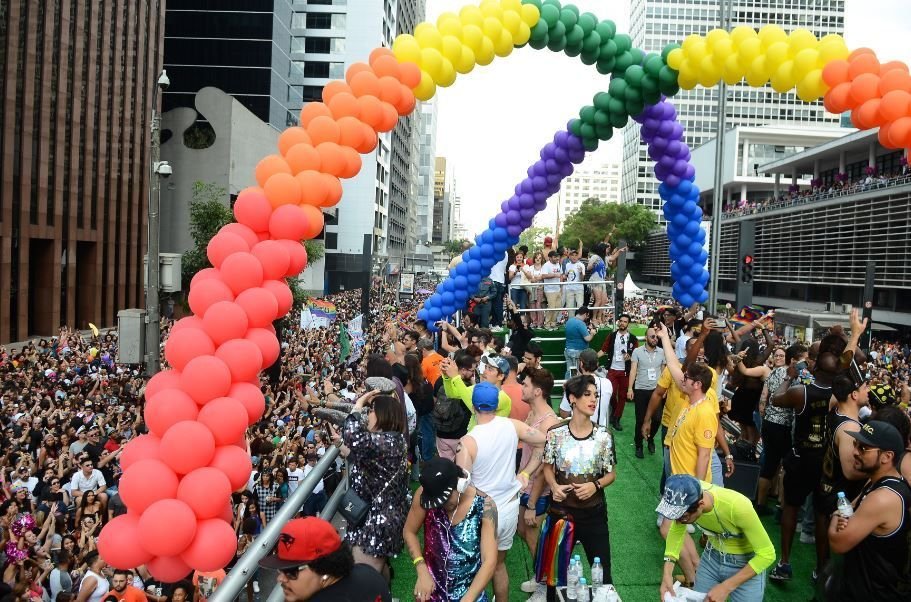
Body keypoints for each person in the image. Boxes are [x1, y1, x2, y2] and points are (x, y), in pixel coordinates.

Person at [769, 309, 867, 582]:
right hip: (826, 461)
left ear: (814, 363)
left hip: (801, 457)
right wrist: (849, 334)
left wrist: (789, 377)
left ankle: (785, 562)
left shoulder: (801, 390)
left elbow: (776, 400)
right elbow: (852, 359)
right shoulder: (839, 391)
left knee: (791, 508)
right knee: (823, 515)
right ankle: (822, 567)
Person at [456, 382, 547, 602]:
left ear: (473, 406)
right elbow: (544, 441)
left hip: (482, 513)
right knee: (497, 565)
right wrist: (525, 473)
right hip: (509, 508)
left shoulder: (468, 442)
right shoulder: (512, 425)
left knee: (475, 569)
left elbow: (462, 486)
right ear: (497, 405)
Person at [537, 374, 617, 600]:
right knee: (554, 577)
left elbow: (611, 473)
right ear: (572, 399)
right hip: (561, 514)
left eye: (596, 395)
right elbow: (547, 467)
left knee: (604, 576)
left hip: (594, 515)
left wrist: (595, 485)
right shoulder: (555, 433)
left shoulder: (604, 436)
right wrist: (554, 486)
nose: (593, 400)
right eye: (587, 395)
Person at [826, 421, 911, 601]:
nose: (855, 451)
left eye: (864, 448)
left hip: (872, 593)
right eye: (856, 444)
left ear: (886, 456)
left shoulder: (883, 497)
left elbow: (838, 542)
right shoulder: (876, 481)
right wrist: (843, 515)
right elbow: (848, 508)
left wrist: (835, 516)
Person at [657, 475, 775, 602]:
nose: (678, 521)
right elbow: (676, 529)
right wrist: (667, 572)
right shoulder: (688, 492)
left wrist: (726, 587)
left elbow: (767, 554)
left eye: (683, 517)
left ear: (701, 504)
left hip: (745, 564)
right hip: (711, 559)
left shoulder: (738, 506)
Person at [336, 389, 409, 579]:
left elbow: (353, 435)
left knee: (364, 578)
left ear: (383, 415)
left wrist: (358, 405)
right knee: (376, 572)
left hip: (378, 520)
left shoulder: (386, 441)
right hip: (378, 515)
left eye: (372, 410)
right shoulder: (392, 440)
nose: (368, 415)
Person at [403, 458, 498, 602]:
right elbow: (409, 531)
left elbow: (489, 560)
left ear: (460, 484)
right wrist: (421, 568)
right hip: (432, 592)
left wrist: (469, 598)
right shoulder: (426, 494)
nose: (443, 505)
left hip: (470, 595)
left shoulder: (485, 505)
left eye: (446, 499)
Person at [260, 517, 391, 602]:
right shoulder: (369, 573)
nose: (280, 579)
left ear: (325, 569)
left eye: (291, 571)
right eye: (280, 570)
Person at [813, 373, 868, 575]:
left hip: (826, 485)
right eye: (865, 388)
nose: (868, 391)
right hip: (839, 493)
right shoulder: (849, 427)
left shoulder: (835, 409)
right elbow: (851, 472)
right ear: (853, 395)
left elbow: (837, 387)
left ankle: (822, 572)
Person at [517, 368, 561, 595]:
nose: (521, 388)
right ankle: (540, 575)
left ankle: (545, 585)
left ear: (537, 391)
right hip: (527, 485)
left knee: (533, 536)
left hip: (538, 491)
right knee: (522, 530)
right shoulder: (532, 413)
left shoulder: (549, 422)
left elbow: (545, 470)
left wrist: (533, 504)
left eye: (524, 384)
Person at [756, 344, 806, 514]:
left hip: (770, 422)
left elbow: (764, 396)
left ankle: (761, 503)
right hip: (784, 426)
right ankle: (781, 506)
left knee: (769, 463)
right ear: (793, 360)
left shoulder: (776, 372)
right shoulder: (799, 375)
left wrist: (764, 416)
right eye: (803, 359)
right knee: (785, 466)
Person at [440, 354, 512, 430]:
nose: (485, 371)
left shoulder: (503, 398)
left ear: (501, 376)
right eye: (486, 367)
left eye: (490, 369)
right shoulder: (477, 387)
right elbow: (451, 394)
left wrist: (456, 377)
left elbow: (475, 408)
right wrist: (447, 377)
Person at [629, 327, 666, 458]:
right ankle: (638, 444)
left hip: (657, 390)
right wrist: (630, 388)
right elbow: (633, 370)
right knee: (640, 419)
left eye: (657, 337)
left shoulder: (662, 352)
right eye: (652, 337)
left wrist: (664, 389)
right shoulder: (637, 352)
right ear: (646, 337)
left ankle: (650, 438)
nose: (655, 339)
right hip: (640, 389)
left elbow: (663, 372)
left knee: (657, 419)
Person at [598, 314, 638, 430]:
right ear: (618, 322)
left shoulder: (633, 339)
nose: (622, 323)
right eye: (621, 321)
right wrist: (592, 357)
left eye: (625, 322)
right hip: (612, 369)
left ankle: (616, 418)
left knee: (622, 396)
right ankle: (615, 412)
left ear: (628, 324)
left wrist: (630, 357)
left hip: (625, 371)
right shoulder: (611, 336)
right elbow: (603, 350)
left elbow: (636, 356)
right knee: (610, 393)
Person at [559, 349, 613, 429]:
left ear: (581, 364)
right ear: (597, 364)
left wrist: (566, 392)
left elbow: (564, 414)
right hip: (601, 432)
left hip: (580, 433)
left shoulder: (573, 384)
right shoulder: (607, 383)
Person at [563, 307, 595, 380]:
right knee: (576, 374)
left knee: (569, 372)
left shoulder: (569, 321)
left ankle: (567, 389)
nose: (587, 318)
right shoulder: (581, 323)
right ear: (585, 314)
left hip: (568, 350)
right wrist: (592, 333)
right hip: (577, 352)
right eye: (587, 316)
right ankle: (574, 389)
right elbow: (588, 339)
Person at [540, 251, 564, 329]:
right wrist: (554, 275)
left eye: (557, 257)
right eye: (555, 257)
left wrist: (561, 286)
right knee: (551, 307)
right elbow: (543, 276)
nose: (557, 258)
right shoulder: (546, 265)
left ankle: (553, 322)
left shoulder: (558, 264)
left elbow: (560, 275)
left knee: (558, 307)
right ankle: (547, 323)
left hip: (557, 288)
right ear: (550, 258)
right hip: (549, 289)